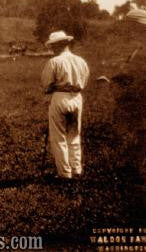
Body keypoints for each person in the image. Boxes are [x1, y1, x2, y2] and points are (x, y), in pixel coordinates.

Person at [41, 31, 90, 180]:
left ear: (58, 45)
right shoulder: (81, 61)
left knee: (59, 136)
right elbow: (85, 81)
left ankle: (64, 173)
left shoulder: (54, 62)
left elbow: (46, 85)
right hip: (77, 98)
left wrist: (54, 88)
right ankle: (76, 169)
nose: (52, 49)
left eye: (53, 46)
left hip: (60, 97)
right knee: (74, 134)